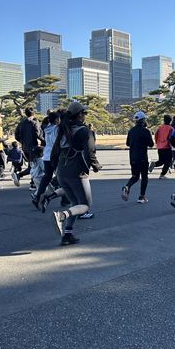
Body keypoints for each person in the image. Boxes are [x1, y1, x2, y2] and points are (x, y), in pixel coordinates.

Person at [51, 102, 101, 245]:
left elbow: (55, 152)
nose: (85, 115)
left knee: (74, 203)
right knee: (85, 205)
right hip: (76, 171)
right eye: (84, 113)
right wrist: (96, 165)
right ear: (79, 115)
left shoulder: (63, 130)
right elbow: (90, 152)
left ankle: (67, 234)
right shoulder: (84, 131)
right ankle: (62, 215)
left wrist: (55, 172)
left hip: (61, 171)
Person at [122, 111, 154, 204]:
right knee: (144, 177)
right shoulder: (146, 131)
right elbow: (151, 144)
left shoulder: (131, 131)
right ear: (143, 120)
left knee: (135, 176)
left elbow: (128, 143)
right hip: (143, 157)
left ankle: (127, 186)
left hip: (133, 157)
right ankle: (141, 197)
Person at [34, 111, 61, 208]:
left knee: (46, 177)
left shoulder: (47, 129)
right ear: (57, 120)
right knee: (62, 176)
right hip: (55, 155)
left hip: (46, 155)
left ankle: (37, 196)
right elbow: (56, 142)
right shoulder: (56, 129)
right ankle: (65, 199)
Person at [148, 115, 174, 179]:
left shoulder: (160, 128)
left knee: (161, 161)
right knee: (168, 162)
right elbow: (171, 138)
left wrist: (157, 143)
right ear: (171, 121)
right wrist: (173, 146)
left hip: (160, 147)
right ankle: (162, 174)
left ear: (164, 120)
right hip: (167, 147)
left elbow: (156, 136)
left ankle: (154, 164)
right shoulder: (171, 128)